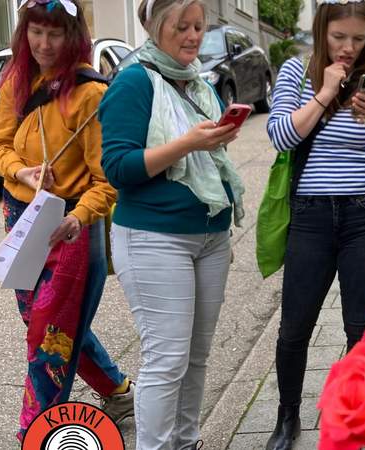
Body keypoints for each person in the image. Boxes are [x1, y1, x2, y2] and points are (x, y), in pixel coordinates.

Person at [98, 0, 245, 447]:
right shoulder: (133, 82)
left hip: (210, 235)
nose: (193, 36)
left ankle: (186, 441)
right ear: (156, 27)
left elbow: (205, 159)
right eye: (182, 27)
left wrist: (217, 137)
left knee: (195, 358)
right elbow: (118, 168)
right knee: (166, 360)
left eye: (199, 27)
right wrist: (186, 144)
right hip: (154, 238)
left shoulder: (197, 81)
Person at [265, 0, 365, 448]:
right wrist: (325, 92)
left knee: (360, 329)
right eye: (339, 37)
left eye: (358, 39)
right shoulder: (296, 74)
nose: (348, 47)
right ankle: (288, 418)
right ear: (323, 31)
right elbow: (281, 135)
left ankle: (355, 413)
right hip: (311, 218)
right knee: (295, 326)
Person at [0, 0, 134, 441]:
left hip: (71, 225)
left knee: (48, 336)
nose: (44, 44)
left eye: (54, 34)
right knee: (45, 324)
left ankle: (33, 433)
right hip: (21, 216)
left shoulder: (90, 93)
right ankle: (118, 389)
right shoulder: (15, 80)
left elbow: (106, 179)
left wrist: (79, 217)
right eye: (36, 32)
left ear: (72, 36)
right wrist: (23, 171)